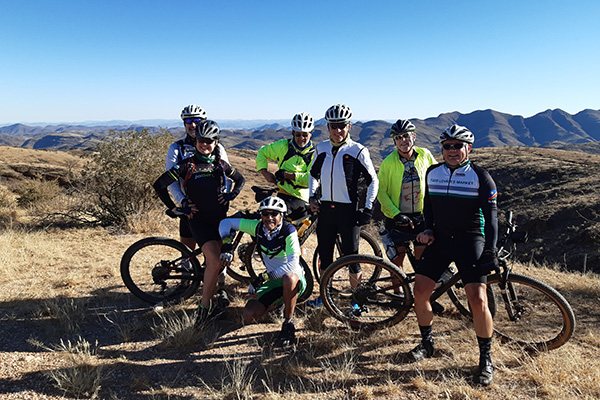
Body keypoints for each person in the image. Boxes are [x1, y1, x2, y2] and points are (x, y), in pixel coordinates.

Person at [410, 124, 498, 386]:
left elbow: (492, 218)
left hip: (471, 239)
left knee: (478, 299)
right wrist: (427, 229)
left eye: (457, 146)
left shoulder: (481, 177)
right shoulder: (432, 173)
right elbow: (428, 207)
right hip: (440, 239)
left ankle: (485, 359)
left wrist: (490, 249)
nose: (451, 150)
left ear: (468, 148)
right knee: (420, 290)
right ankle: (427, 344)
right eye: (447, 146)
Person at [153, 120, 245, 324]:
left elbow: (240, 179)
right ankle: (204, 309)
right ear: (196, 141)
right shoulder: (186, 165)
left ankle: (216, 292)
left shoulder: (220, 164)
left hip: (221, 221)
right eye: (201, 140)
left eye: (210, 141)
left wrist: (231, 195)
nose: (205, 144)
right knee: (213, 261)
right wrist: (176, 207)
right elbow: (159, 184)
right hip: (199, 221)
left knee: (220, 261)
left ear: (216, 142)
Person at [307, 104, 379, 307]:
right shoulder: (320, 148)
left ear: (349, 126)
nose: (338, 130)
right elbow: (313, 174)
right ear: (328, 126)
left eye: (342, 126)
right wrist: (312, 197)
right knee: (325, 256)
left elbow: (373, 180)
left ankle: (357, 300)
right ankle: (325, 296)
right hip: (326, 210)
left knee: (351, 258)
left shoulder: (358, 150)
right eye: (333, 126)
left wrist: (368, 208)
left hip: (349, 211)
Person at [219, 196, 306, 346]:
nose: (269, 218)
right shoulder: (257, 227)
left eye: (274, 214)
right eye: (265, 214)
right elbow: (225, 223)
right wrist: (227, 243)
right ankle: (278, 304)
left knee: (289, 278)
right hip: (273, 281)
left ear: (282, 215)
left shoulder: (288, 230)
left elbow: (293, 265)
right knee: (249, 315)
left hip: (294, 279)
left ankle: (288, 323)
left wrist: (262, 278)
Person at [165, 105, 231, 292]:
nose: (193, 124)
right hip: (190, 208)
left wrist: (224, 197)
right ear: (184, 123)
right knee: (187, 248)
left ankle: (220, 286)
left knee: (217, 249)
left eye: (197, 120)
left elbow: (227, 175)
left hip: (214, 209)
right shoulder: (176, 148)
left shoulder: (217, 147)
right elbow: (170, 181)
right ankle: (186, 282)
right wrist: (182, 202)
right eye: (188, 121)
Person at [377, 119, 436, 269]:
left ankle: (418, 292)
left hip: (421, 218)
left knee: (422, 264)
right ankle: (398, 293)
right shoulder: (388, 162)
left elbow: (437, 178)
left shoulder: (425, 155)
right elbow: (381, 191)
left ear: (414, 136)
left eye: (406, 136)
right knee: (396, 266)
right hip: (397, 219)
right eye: (398, 137)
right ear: (394, 141)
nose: (403, 140)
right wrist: (396, 214)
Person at [255, 112, 315, 220]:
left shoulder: (315, 154)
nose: (301, 138)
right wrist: (264, 172)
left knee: (279, 219)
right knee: (267, 217)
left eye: (305, 135)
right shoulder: (283, 146)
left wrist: (287, 175)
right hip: (282, 193)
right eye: (298, 134)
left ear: (311, 134)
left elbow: (310, 179)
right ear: (293, 133)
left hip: (301, 197)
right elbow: (262, 152)